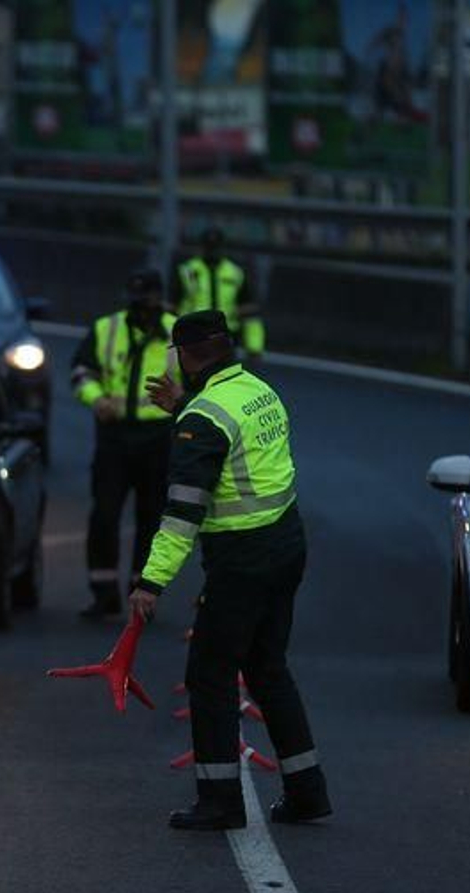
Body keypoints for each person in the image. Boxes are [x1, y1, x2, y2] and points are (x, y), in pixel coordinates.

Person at [131, 310, 329, 831]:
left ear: (184, 356)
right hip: (286, 544)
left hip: (242, 561)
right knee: (268, 668)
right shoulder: (255, 390)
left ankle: (219, 799)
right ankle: (308, 793)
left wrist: (151, 582)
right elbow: (229, 444)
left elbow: (181, 515)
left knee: (211, 675)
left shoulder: (201, 419)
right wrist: (185, 412)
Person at [69, 267, 180, 619]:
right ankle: (103, 592)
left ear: (160, 300)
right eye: (136, 302)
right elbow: (81, 372)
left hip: (158, 438)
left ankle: (141, 593)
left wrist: (181, 406)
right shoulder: (107, 328)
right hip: (114, 437)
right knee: (104, 514)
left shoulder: (179, 334)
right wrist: (95, 398)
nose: (141, 310)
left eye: (147, 302)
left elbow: (200, 382)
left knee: (150, 519)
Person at [171, 228, 266, 361]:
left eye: (215, 247)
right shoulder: (187, 271)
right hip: (191, 337)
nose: (212, 251)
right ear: (202, 247)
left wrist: (254, 346)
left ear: (222, 247)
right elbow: (171, 309)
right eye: (209, 247)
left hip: (225, 339)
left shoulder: (235, 273)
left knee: (222, 379)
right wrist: (170, 341)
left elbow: (248, 313)